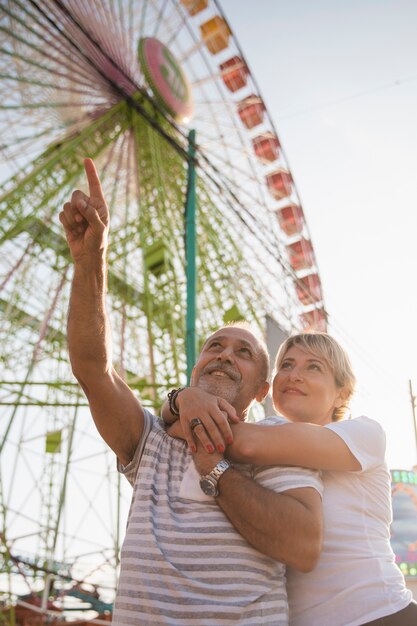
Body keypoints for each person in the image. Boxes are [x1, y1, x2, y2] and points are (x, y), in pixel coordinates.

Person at [59, 158, 324, 626]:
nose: (224, 354)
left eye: (243, 352)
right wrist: (90, 260)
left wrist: (216, 471)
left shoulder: (278, 444)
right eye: (214, 346)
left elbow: (302, 546)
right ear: (196, 365)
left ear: (262, 389)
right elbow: (92, 368)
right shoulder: (149, 440)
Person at [167, 332, 417, 626]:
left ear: (342, 392)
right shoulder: (262, 451)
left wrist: (182, 406)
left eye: (314, 367)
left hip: (381, 614)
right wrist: (183, 405)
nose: (294, 375)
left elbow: (246, 443)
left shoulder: (364, 434)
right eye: (286, 365)